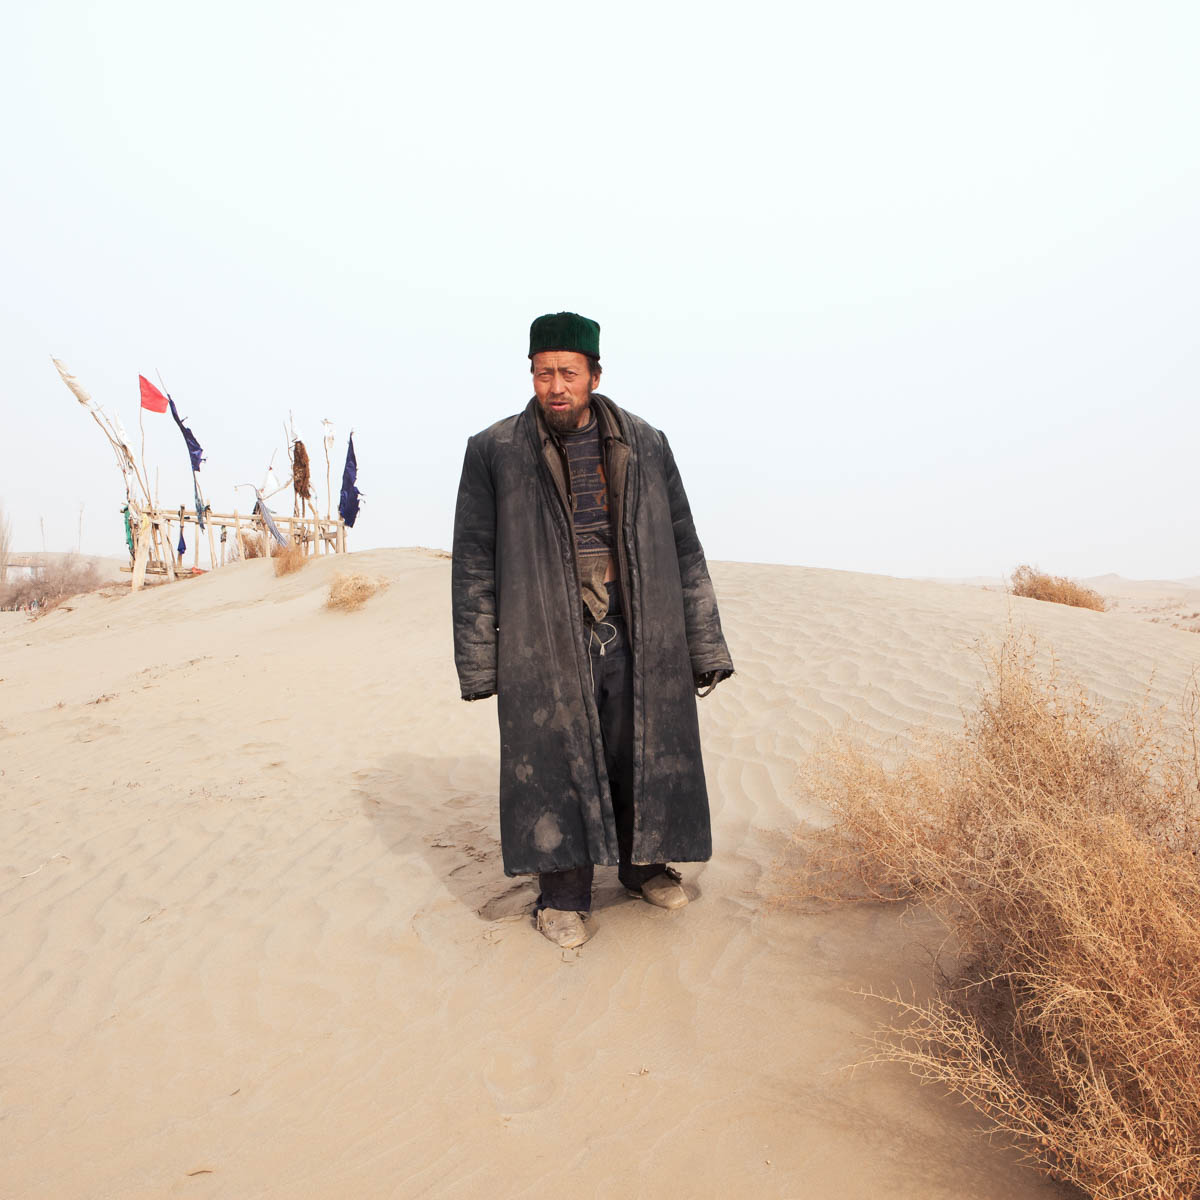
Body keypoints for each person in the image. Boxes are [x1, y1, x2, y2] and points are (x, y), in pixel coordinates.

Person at [451, 312, 733, 949]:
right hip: (543, 642)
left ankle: (644, 869)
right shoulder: (494, 450)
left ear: (595, 374)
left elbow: (685, 546)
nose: (556, 385)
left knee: (641, 754)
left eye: (568, 372)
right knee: (553, 767)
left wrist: (704, 644)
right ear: (531, 374)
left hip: (638, 633)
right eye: (544, 371)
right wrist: (480, 663)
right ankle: (562, 897)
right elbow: (472, 560)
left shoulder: (648, 443)